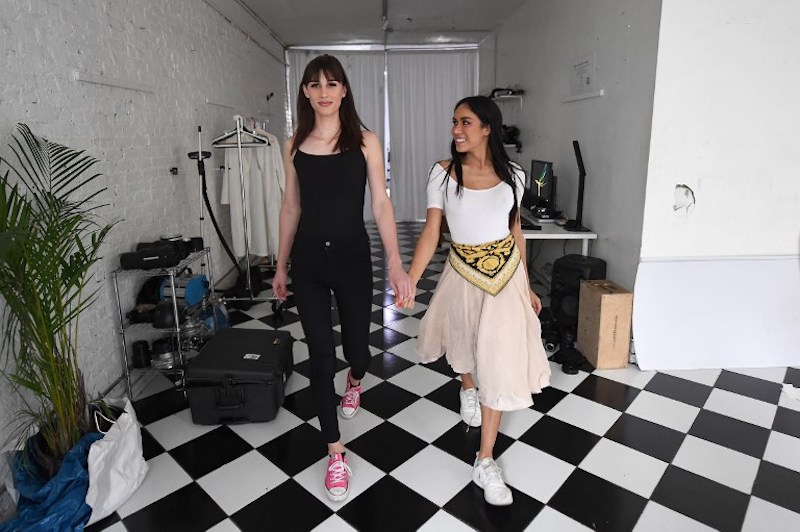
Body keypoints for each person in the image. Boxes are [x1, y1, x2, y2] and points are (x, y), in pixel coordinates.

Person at [398, 95, 551, 506]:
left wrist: (528, 284)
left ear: (488, 128)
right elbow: (433, 231)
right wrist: (410, 279)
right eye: (454, 122)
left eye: (465, 122)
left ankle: (485, 459)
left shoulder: (515, 175)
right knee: (465, 346)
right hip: (463, 274)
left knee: (499, 362)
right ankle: (467, 386)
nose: (456, 130)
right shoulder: (443, 174)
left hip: (505, 280)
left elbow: (515, 231)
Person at [272, 54, 412, 502]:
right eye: (315, 84)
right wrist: (280, 264)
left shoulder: (365, 141)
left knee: (357, 350)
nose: (325, 91)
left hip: (353, 256)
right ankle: (335, 452)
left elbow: (382, 205)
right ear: (306, 92)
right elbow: (291, 206)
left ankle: (355, 382)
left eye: (333, 83)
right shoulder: (293, 143)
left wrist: (395, 261)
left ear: (344, 90)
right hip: (309, 261)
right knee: (318, 354)